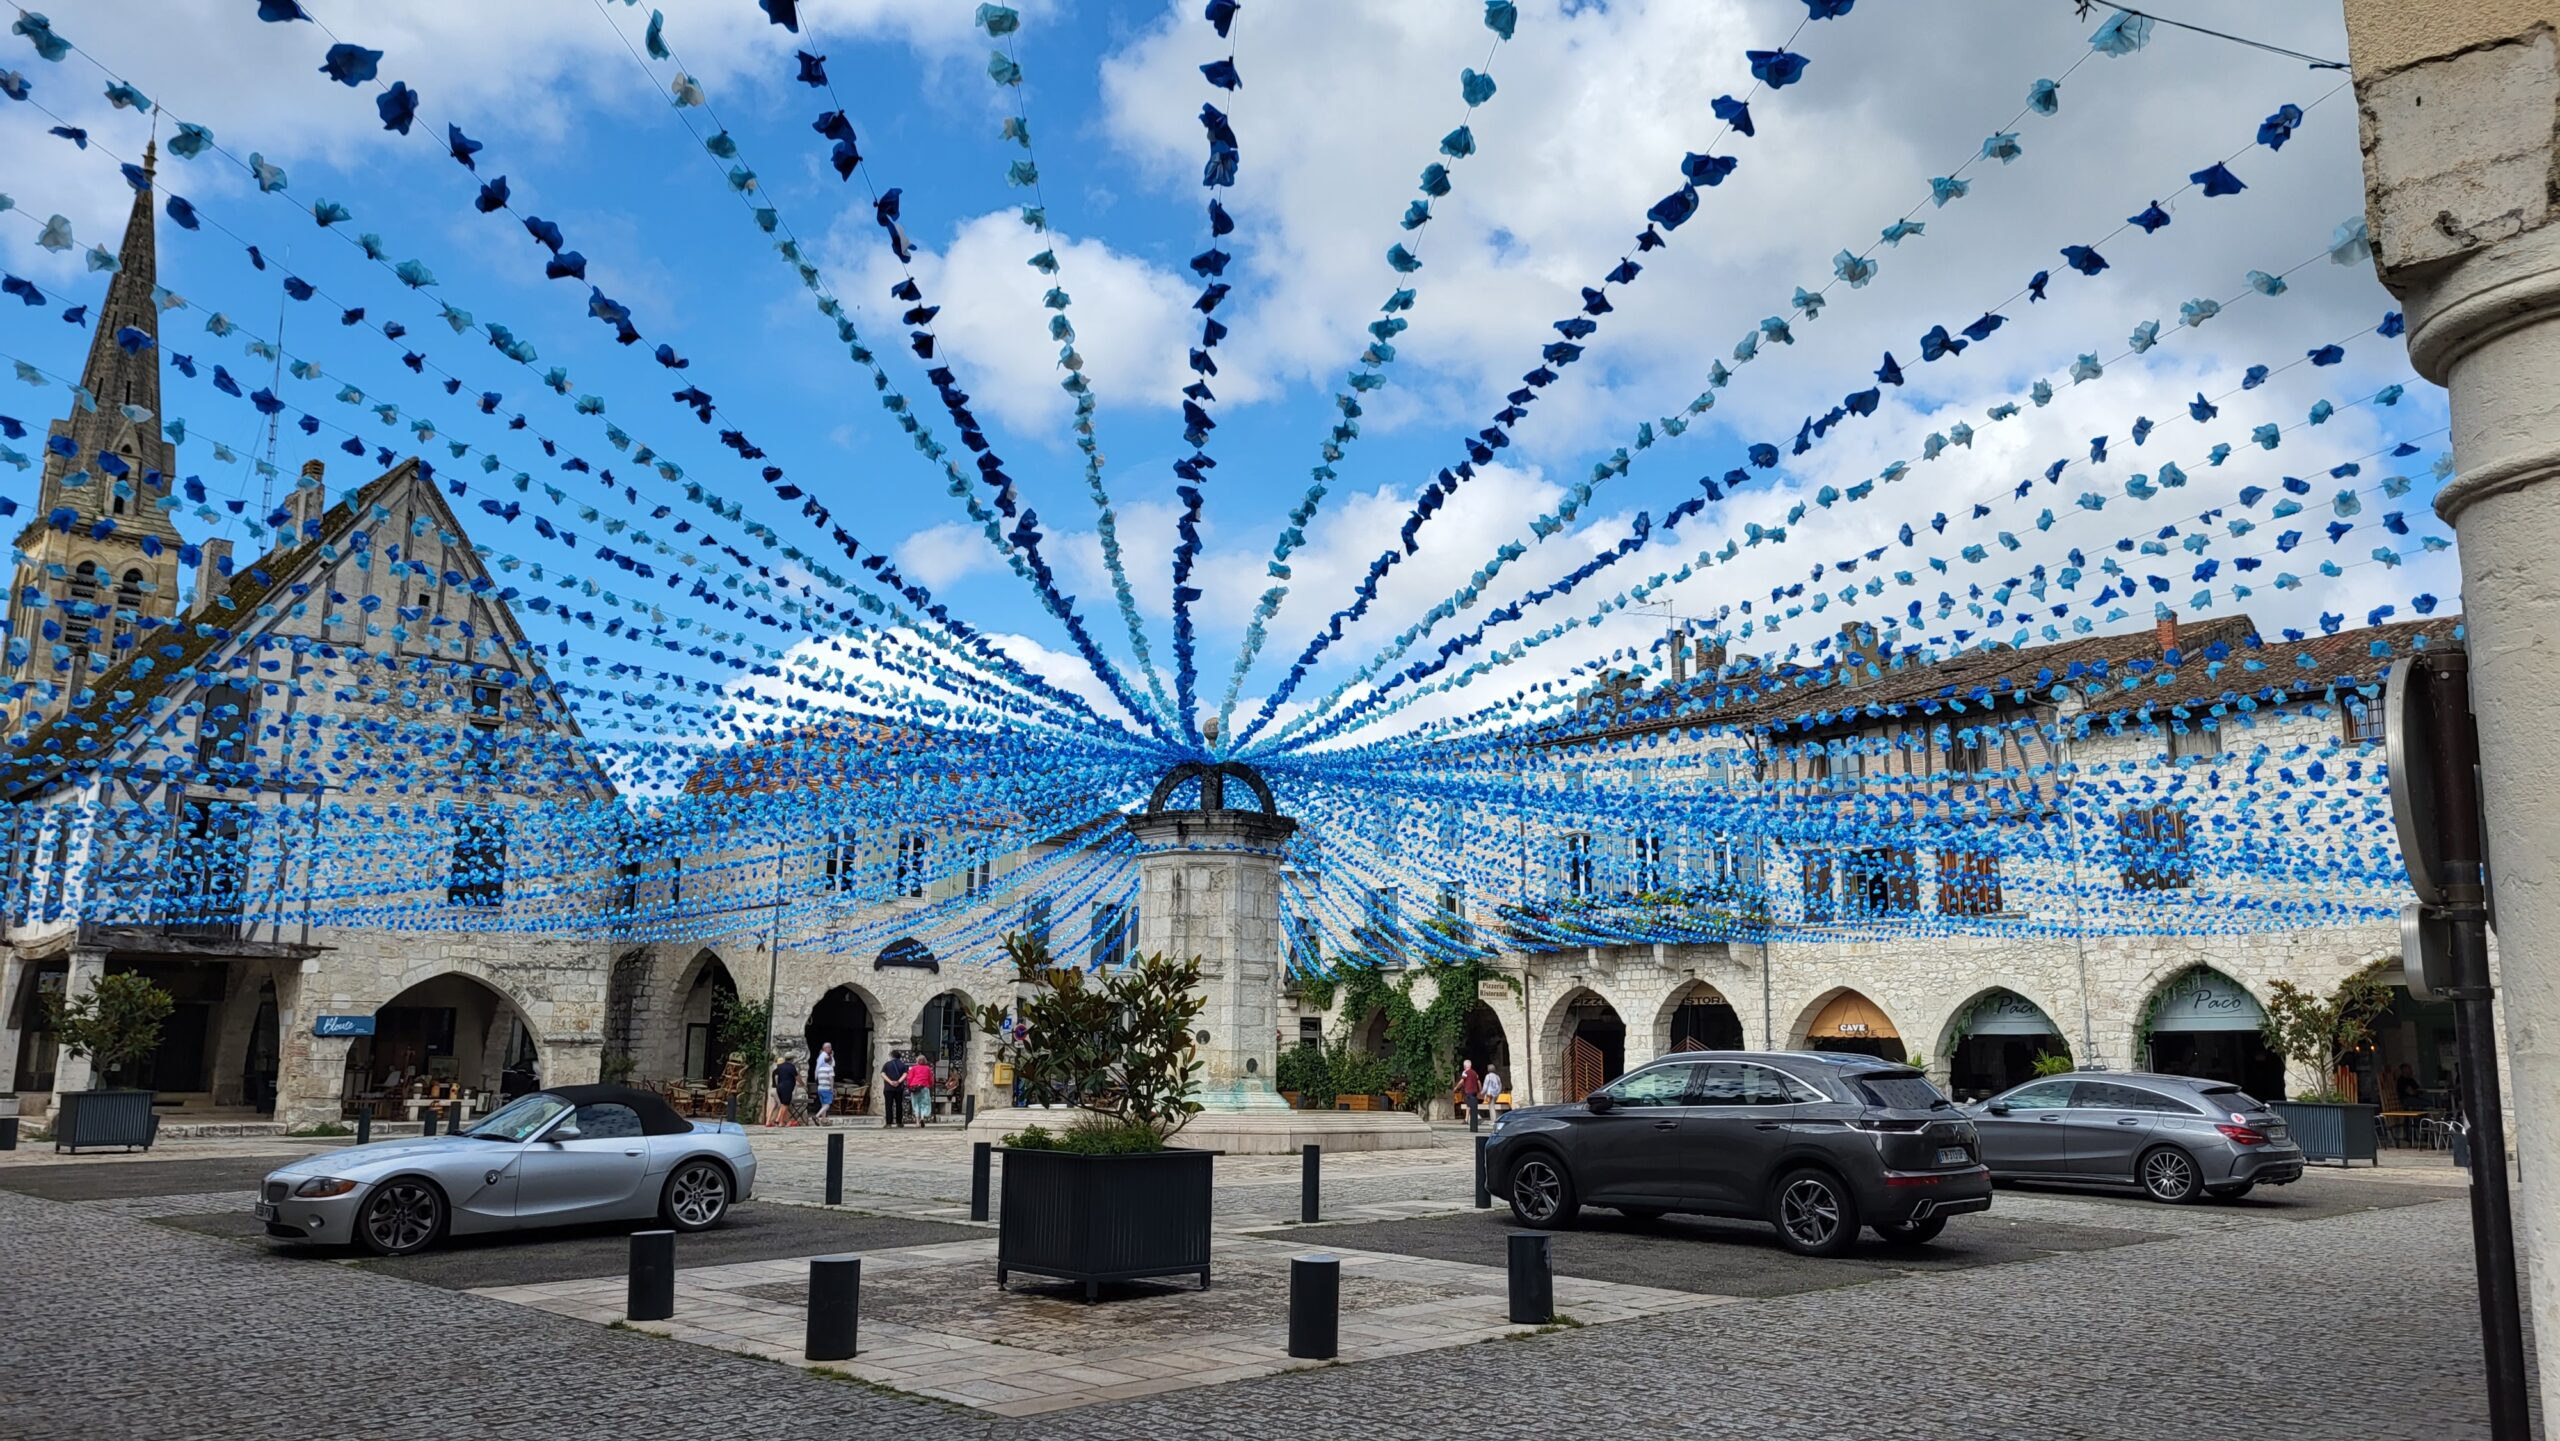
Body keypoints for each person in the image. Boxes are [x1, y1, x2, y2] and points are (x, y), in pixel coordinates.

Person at [905, 1053, 936, 1126]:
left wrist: (909, 1086)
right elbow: (931, 1079)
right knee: (924, 1104)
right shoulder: (928, 1068)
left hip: (915, 1087)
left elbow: (909, 1078)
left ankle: (917, 1122)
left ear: (917, 1061)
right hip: (924, 1087)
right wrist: (930, 1085)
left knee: (915, 1104)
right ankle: (922, 1117)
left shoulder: (913, 1068)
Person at [882, 1049, 908, 1129]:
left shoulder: (887, 1064)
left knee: (888, 1105)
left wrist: (890, 1082)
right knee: (899, 1105)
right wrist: (898, 1082)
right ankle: (899, 1122)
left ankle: (889, 1123)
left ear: (891, 1056)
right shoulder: (903, 1065)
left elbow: (882, 1074)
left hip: (888, 1088)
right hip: (899, 1088)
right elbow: (905, 1074)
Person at [772, 1052, 799, 1127]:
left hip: (778, 1087)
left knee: (783, 1104)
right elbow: (797, 1077)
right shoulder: (791, 1067)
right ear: (792, 1059)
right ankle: (780, 1121)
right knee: (785, 1104)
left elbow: (776, 1078)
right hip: (786, 1087)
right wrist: (802, 1084)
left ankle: (780, 1120)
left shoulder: (779, 1068)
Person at [814, 1042, 836, 1123]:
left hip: (820, 1085)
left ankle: (823, 1119)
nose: (830, 1049)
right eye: (829, 1047)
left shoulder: (821, 1068)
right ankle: (817, 1116)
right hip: (826, 1086)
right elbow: (831, 1079)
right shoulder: (828, 1066)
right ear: (826, 1048)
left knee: (823, 1103)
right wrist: (832, 1088)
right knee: (827, 1104)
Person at [1457, 1060, 1482, 1130]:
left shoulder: (1465, 1072)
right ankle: (1466, 1119)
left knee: (1470, 1105)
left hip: (1468, 1091)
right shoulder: (1475, 1073)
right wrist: (1480, 1090)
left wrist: (1456, 1087)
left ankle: (1478, 1116)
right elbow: (1479, 1082)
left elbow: (1461, 1081)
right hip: (1474, 1091)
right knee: (1469, 1105)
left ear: (1465, 1066)